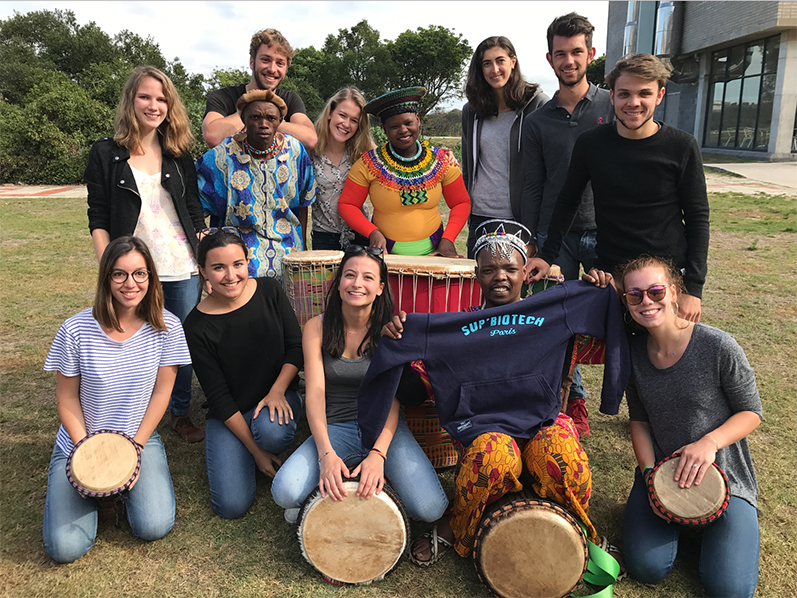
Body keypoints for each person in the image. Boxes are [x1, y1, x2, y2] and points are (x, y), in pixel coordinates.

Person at [368, 220, 630, 565]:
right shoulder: (457, 326)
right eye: (489, 269)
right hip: (484, 425)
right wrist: (395, 339)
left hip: (543, 419)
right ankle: (457, 525)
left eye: (510, 268)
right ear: (477, 275)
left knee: (564, 458)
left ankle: (578, 530)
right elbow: (415, 390)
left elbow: (614, 332)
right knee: (493, 459)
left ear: (526, 272)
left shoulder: (555, 311)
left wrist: (606, 290)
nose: (500, 276)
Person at [609, 256, 761, 598]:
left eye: (656, 290)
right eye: (635, 295)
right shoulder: (633, 354)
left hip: (724, 474)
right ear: (626, 302)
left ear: (675, 292)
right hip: (664, 473)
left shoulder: (718, 346)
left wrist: (709, 442)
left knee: (730, 591)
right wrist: (650, 476)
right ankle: (688, 525)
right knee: (647, 568)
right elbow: (639, 419)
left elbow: (751, 412)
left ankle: (719, 527)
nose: (646, 301)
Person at [271, 245, 448, 525]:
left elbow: (392, 399)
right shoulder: (316, 328)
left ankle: (361, 478)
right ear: (339, 283)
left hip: (382, 426)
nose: (357, 283)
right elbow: (315, 394)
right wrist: (326, 453)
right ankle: (345, 473)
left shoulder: (390, 330)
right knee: (284, 492)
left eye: (368, 277)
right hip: (336, 426)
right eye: (350, 275)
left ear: (379, 287)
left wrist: (378, 454)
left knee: (430, 509)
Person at [527, 53, 710, 324]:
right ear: (611, 96)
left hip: (667, 278)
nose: (633, 102)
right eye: (624, 94)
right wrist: (547, 256)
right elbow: (568, 201)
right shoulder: (591, 144)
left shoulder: (681, 146)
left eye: (644, 94)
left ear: (659, 95)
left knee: (665, 357)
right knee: (619, 357)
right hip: (613, 277)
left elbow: (697, 218)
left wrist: (693, 288)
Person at [42, 236, 190, 563]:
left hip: (135, 437)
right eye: (119, 274)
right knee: (65, 549)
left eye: (140, 273)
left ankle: (116, 494)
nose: (130, 283)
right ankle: (100, 494)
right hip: (80, 442)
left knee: (154, 526)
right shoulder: (75, 329)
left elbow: (162, 392)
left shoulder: (168, 327)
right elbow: (66, 399)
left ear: (151, 277)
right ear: (106, 277)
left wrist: (134, 449)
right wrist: (88, 459)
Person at [85, 65, 206, 443]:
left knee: (178, 340)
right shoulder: (106, 153)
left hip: (181, 264)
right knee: (128, 338)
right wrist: (109, 266)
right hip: (133, 267)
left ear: (169, 106)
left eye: (161, 98)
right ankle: (127, 408)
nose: (153, 105)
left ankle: (180, 411)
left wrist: (204, 257)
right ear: (130, 101)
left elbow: (194, 209)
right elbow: (99, 215)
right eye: (145, 97)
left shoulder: (178, 154)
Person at [520, 13, 615, 438]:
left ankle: (639, 401)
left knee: (621, 316)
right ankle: (570, 400)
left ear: (591, 54)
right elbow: (534, 185)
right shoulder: (539, 120)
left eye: (577, 51)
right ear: (550, 58)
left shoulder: (615, 105)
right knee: (557, 321)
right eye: (561, 53)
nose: (569, 60)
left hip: (607, 231)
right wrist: (535, 244)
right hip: (555, 239)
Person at [183, 229, 303, 519]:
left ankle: (271, 446)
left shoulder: (270, 291)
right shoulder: (196, 326)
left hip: (277, 395)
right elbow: (218, 396)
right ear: (203, 272)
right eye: (218, 267)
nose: (231, 275)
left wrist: (277, 391)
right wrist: (254, 451)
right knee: (231, 506)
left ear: (248, 261)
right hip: (231, 411)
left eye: (238, 264)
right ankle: (255, 452)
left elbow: (295, 348)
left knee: (272, 434)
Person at [196, 90, 317, 279]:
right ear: (243, 119)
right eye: (255, 117)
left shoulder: (295, 152)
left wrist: (302, 248)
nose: (263, 125)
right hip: (238, 264)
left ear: (280, 121)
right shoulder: (220, 158)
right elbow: (195, 205)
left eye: (271, 118)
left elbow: (303, 203)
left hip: (289, 257)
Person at [338, 87, 470, 257]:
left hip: (436, 253)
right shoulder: (368, 164)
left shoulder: (442, 161)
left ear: (418, 120)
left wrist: (448, 239)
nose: (403, 130)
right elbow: (347, 204)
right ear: (384, 129)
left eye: (408, 123)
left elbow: (461, 203)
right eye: (394, 126)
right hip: (386, 256)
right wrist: (372, 232)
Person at [461, 36, 548, 258]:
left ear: (513, 61)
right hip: (481, 215)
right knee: (478, 289)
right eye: (486, 63)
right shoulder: (471, 111)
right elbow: (469, 164)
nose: (494, 69)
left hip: (521, 217)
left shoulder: (538, 105)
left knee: (517, 290)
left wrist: (536, 229)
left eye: (500, 60)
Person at [202, 28, 317, 150]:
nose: (272, 69)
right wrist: (252, 104)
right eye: (265, 60)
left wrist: (264, 124)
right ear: (252, 62)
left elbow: (310, 139)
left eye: (280, 63)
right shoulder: (223, 97)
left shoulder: (290, 99)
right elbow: (213, 136)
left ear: (286, 69)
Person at [309, 88, 375, 251]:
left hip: (360, 234)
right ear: (330, 112)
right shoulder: (310, 149)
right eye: (342, 115)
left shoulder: (362, 149)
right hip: (324, 237)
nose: (346, 124)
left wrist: (440, 155)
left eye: (354, 120)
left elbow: (392, 162)